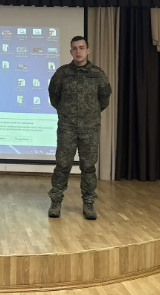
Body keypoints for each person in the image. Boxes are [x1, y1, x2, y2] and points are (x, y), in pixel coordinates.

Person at [47, 36, 111, 220]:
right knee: (62, 165)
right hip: (67, 128)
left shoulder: (98, 74)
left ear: (88, 51)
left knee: (88, 167)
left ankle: (89, 203)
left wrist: (89, 115)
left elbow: (104, 99)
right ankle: (56, 202)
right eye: (74, 48)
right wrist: (66, 113)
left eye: (81, 48)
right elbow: (54, 97)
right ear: (71, 52)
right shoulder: (62, 74)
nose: (78, 51)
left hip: (90, 129)